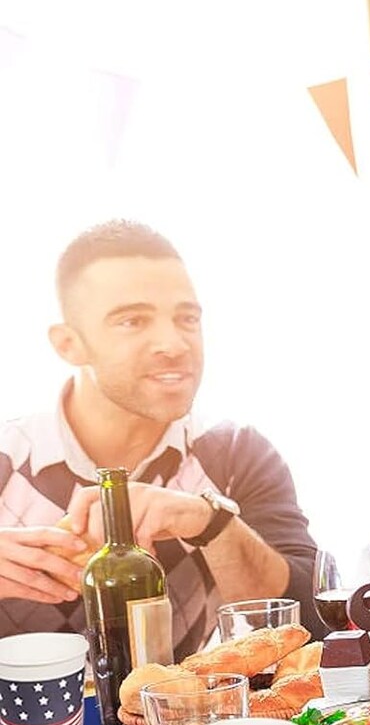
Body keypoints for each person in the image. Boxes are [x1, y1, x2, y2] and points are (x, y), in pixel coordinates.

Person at [0, 220, 323, 659]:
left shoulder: (235, 455)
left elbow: (311, 626)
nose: (174, 343)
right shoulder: (7, 458)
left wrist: (210, 523)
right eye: (132, 321)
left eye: (186, 318)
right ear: (68, 344)